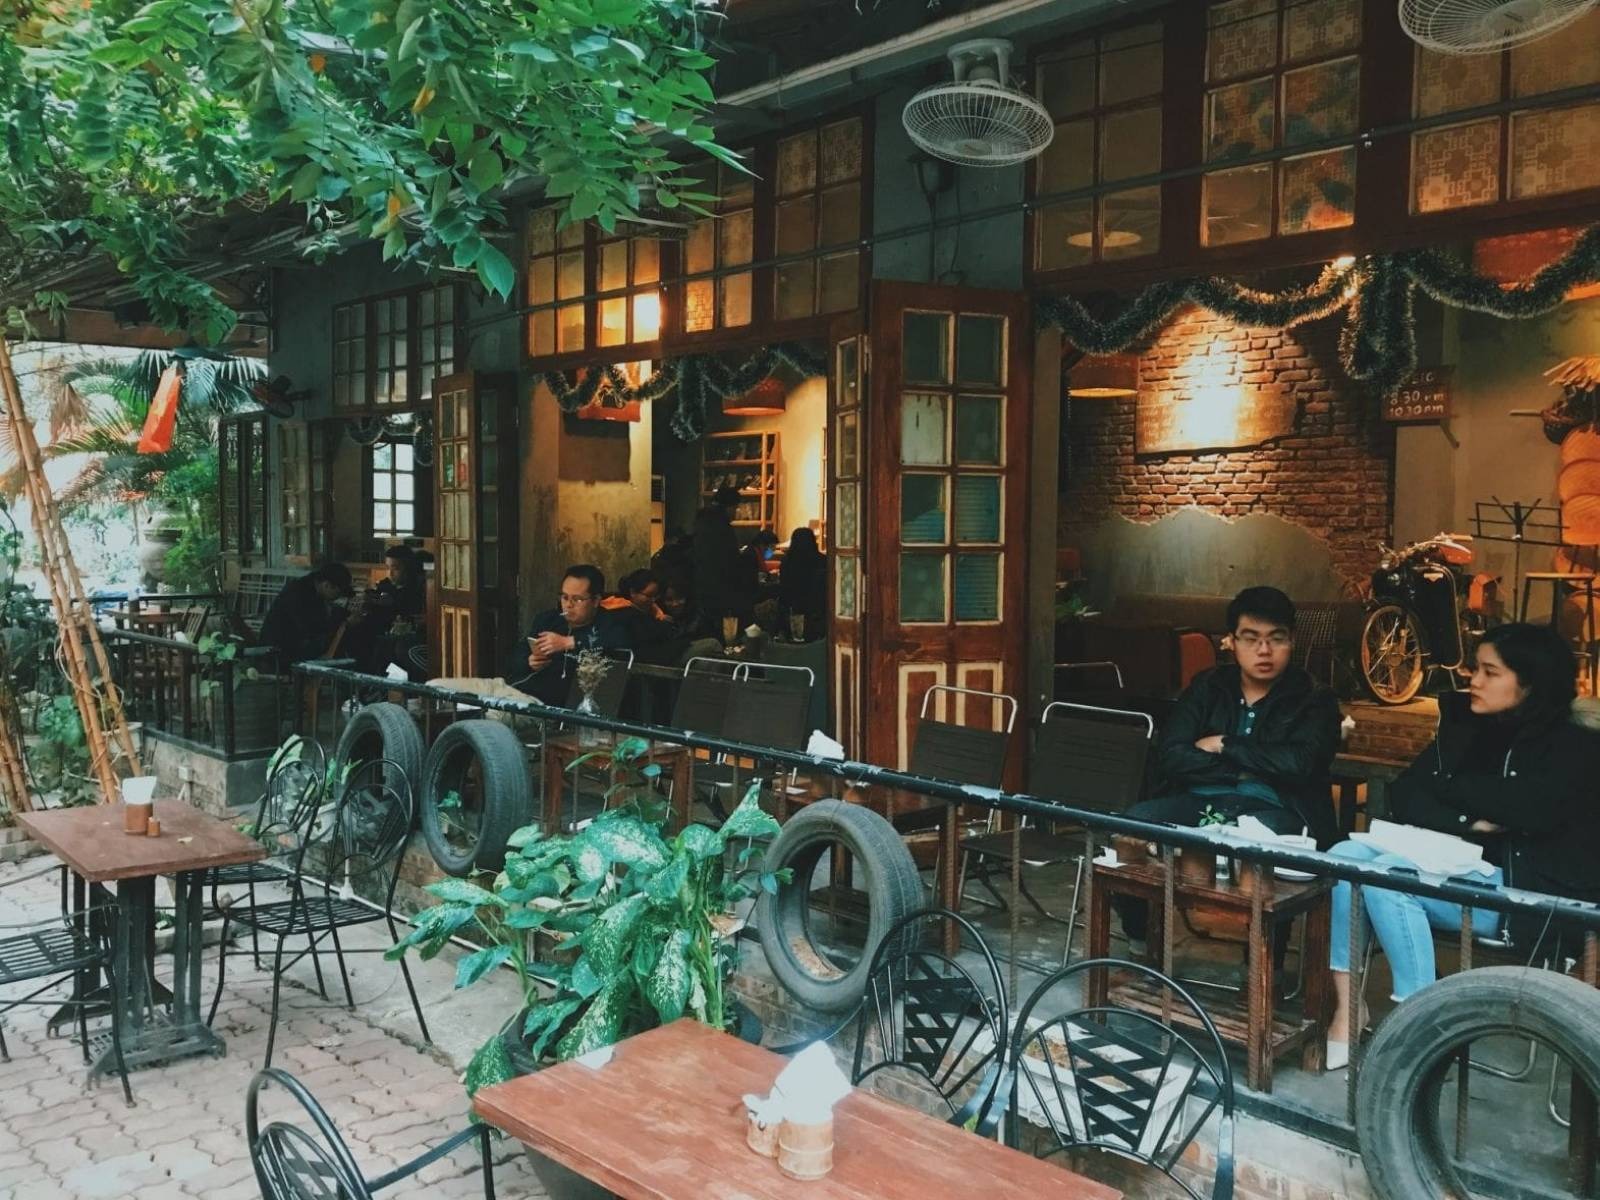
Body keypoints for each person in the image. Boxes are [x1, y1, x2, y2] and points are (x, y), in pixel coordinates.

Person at [1322, 623, 1600, 1069]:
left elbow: (1531, 810)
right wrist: (1470, 819)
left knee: (1388, 880)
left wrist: (1454, 790)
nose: (1474, 680)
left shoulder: (1575, 745)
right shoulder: (1469, 725)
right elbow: (1406, 793)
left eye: (1491, 672)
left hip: (1531, 898)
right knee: (1345, 857)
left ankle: (1423, 1033)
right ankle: (1349, 1008)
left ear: (1530, 682)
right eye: (1476, 668)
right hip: (1460, 868)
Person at [1116, 586, 1342, 946]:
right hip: (1200, 800)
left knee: (1265, 854)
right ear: (1231, 642)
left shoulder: (1315, 699)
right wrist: (1244, 770)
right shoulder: (1208, 686)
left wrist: (1226, 744)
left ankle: (1266, 959)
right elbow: (1172, 754)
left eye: (1276, 639)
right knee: (1131, 824)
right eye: (1250, 639)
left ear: (1292, 641)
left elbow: (1299, 764)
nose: (1264, 650)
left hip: (1277, 808)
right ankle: (1141, 939)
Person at [504, 564, 632, 706]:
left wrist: (569, 642)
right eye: (564, 597)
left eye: (577, 599)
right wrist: (529, 661)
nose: (568, 605)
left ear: (596, 600)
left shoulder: (609, 624)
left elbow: (618, 640)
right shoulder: (548, 620)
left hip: (553, 705)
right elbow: (516, 655)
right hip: (518, 691)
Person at [342, 545, 426, 675]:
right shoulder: (385, 585)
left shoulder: (417, 590)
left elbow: (410, 613)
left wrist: (392, 603)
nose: (390, 573)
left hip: (396, 633)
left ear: (409, 568)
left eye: (396, 568)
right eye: (388, 568)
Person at [259, 563, 352, 668]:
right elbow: (313, 629)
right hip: (279, 653)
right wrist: (344, 621)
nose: (338, 598)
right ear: (326, 585)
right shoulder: (298, 594)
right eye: (337, 594)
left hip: (293, 647)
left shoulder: (313, 588)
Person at [691, 485, 743, 621]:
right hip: (719, 586)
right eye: (735, 508)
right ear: (728, 507)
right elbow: (728, 560)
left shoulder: (702, 521)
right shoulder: (721, 527)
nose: (736, 512)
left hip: (701, 583)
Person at [600, 568, 672, 650]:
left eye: (655, 596)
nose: (653, 600)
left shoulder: (654, 611)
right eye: (648, 595)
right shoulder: (623, 614)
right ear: (633, 592)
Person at [778, 527, 827, 640]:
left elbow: (784, 587)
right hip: (817, 611)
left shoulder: (787, 562)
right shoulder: (822, 561)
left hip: (793, 609)